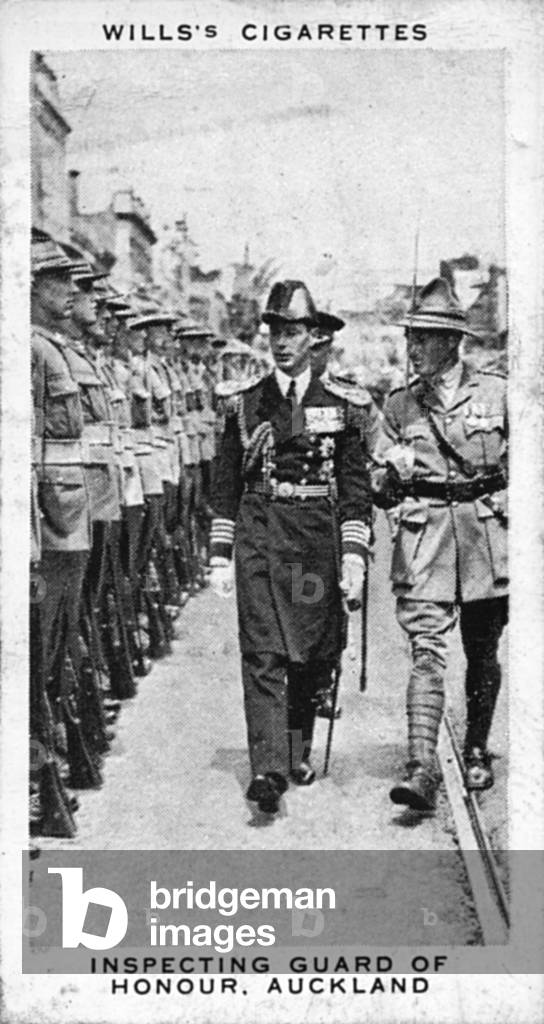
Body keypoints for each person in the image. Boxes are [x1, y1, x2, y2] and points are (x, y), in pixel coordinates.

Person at [209, 280, 373, 815]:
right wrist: (219, 554)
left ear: (313, 336)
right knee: (262, 651)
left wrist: (354, 554)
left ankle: (296, 748)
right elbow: (225, 481)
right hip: (260, 533)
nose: (282, 342)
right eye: (276, 331)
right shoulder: (244, 403)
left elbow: (354, 487)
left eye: (294, 332)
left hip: (313, 541)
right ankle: (268, 769)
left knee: (308, 654)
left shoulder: (343, 405)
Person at [373, 277, 508, 811]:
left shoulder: (496, 393)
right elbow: (376, 481)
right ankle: (421, 766)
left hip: (484, 540)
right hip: (425, 539)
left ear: (453, 341)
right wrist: (391, 475)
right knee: (426, 652)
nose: (414, 347)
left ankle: (476, 747)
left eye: (424, 337)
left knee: (482, 649)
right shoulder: (400, 405)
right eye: (411, 336)